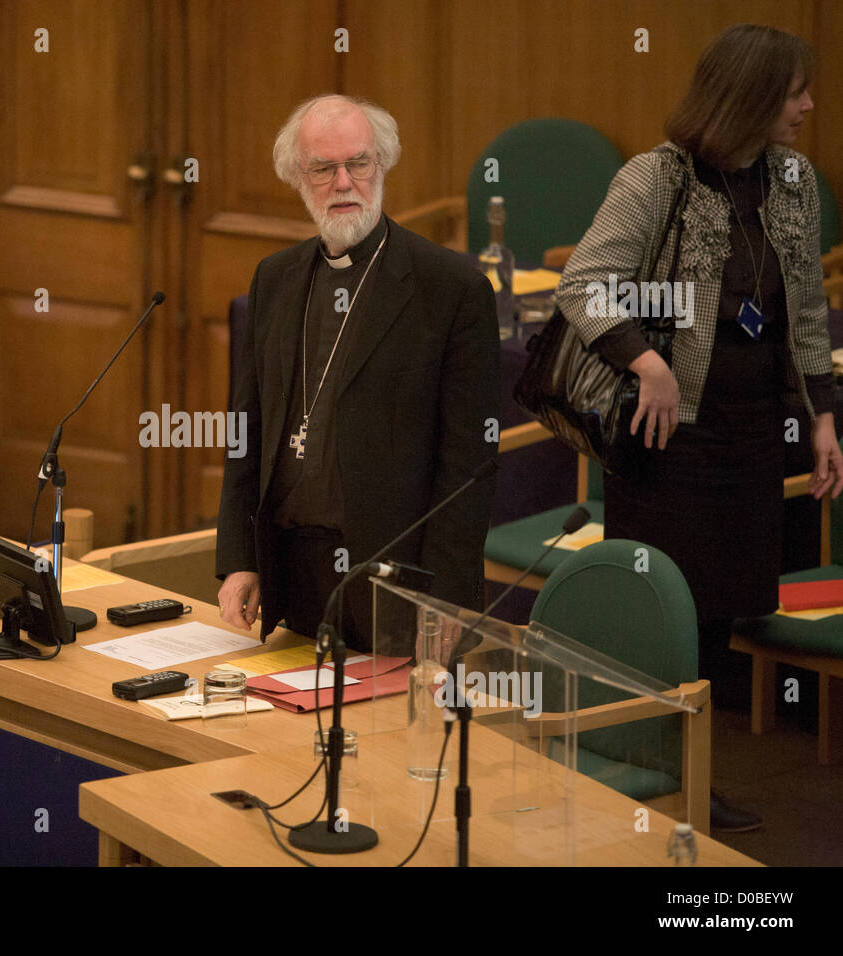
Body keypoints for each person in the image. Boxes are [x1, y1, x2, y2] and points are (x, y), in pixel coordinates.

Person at [557, 24, 841, 830]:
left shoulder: (793, 181)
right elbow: (584, 286)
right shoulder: (656, 178)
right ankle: (636, 772)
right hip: (665, 441)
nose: (809, 106)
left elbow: (807, 314)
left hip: (753, 435)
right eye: (794, 93)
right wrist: (645, 360)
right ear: (749, 97)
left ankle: (691, 775)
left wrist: (821, 419)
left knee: (721, 612)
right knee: (661, 609)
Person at [216, 94, 499, 652]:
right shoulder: (274, 279)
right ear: (298, 177)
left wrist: (445, 596)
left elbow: (469, 464)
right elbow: (244, 433)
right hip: (291, 573)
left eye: (359, 163)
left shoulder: (450, 289)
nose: (344, 182)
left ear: (382, 165)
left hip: (394, 581)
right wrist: (240, 557)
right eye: (324, 168)